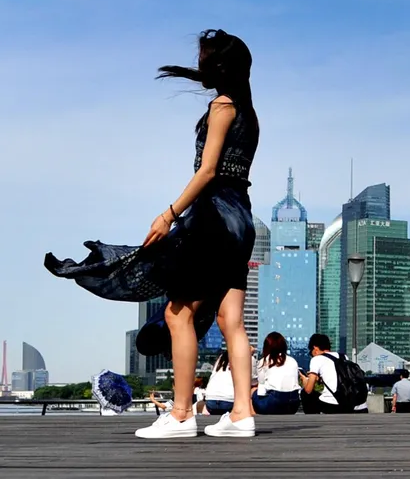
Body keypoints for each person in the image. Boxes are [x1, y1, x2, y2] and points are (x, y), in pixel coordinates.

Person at [45, 29, 259, 439]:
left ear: (219, 67)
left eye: (204, 59)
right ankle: (242, 412)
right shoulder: (249, 112)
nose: (199, 66)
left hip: (213, 217)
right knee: (231, 318)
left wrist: (169, 214)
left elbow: (209, 171)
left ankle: (180, 414)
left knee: (177, 313)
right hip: (242, 220)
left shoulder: (223, 107)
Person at [302, 334, 364, 414]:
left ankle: (312, 421)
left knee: (305, 394)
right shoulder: (343, 357)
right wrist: (320, 380)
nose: (312, 355)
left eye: (311, 352)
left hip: (332, 406)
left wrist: (305, 381)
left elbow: (308, 390)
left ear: (315, 348)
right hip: (350, 402)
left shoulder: (316, 359)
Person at [252, 332, 302, 415]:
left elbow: (261, 386)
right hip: (293, 404)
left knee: (253, 391)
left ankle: (253, 419)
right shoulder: (293, 360)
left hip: (274, 403)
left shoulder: (264, 361)